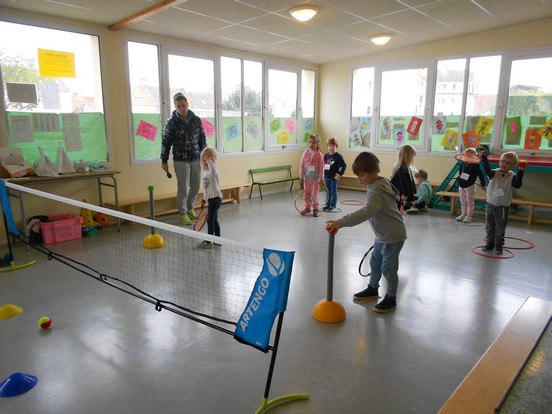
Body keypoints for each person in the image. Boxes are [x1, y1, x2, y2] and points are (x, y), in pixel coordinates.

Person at [326, 152, 407, 313]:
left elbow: (366, 212)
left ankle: (391, 297)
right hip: (382, 235)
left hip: (392, 236)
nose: (358, 179)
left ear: (372, 172)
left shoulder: (376, 191)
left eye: (361, 175)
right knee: (375, 263)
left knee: (388, 268)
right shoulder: (379, 182)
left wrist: (340, 222)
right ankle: (373, 288)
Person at [161, 93, 207, 226]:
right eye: (178, 106)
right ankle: (183, 213)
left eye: (183, 105)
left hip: (195, 158)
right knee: (183, 187)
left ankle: (190, 208)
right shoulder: (172, 122)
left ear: (187, 104)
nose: (181, 108)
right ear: (175, 107)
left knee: (195, 186)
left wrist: (205, 156)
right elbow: (166, 142)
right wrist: (164, 161)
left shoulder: (196, 120)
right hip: (180, 159)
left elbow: (202, 140)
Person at [479, 150, 525, 254]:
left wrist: (521, 171)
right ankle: (490, 243)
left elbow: (517, 185)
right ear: (499, 162)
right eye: (503, 161)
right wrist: (484, 158)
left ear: (513, 165)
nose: (504, 164)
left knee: (500, 226)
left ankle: (499, 245)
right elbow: (486, 170)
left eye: (508, 163)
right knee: (489, 225)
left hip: (503, 206)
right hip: (490, 203)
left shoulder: (512, 176)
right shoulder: (494, 173)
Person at [197, 147, 222, 249]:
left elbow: (212, 170)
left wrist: (208, 159)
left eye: (208, 158)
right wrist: (204, 199)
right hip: (211, 199)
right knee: (214, 220)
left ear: (212, 158)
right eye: (204, 159)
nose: (205, 161)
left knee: (210, 220)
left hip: (216, 199)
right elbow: (206, 188)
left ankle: (209, 242)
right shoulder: (206, 173)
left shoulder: (214, 170)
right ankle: (218, 240)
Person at [455, 147, 486, 223]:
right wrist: (459, 179)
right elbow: (460, 172)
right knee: (463, 200)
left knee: (470, 201)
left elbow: (481, 174)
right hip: (462, 184)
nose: (468, 157)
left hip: (470, 185)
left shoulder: (476, 165)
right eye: (466, 155)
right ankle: (463, 213)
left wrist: (483, 183)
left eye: (470, 156)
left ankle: (469, 216)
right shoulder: (463, 163)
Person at [299, 134, 324, 217]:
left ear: (317, 144)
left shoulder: (319, 155)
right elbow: (302, 165)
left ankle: (315, 209)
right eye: (310, 142)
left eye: (313, 142)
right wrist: (301, 176)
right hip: (306, 178)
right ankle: (307, 207)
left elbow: (321, 167)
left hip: (315, 179)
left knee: (314, 194)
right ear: (307, 143)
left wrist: (321, 178)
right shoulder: (305, 153)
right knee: (307, 194)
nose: (311, 144)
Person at [391, 144, 417, 212]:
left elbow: (410, 181)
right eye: (412, 156)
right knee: (399, 208)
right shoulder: (403, 168)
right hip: (400, 193)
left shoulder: (406, 167)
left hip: (401, 194)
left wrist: (412, 192)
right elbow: (404, 182)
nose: (413, 159)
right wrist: (406, 194)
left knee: (400, 207)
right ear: (408, 156)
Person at [323, 137, 347, 212]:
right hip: (326, 176)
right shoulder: (326, 156)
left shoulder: (338, 156)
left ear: (336, 146)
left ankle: (333, 205)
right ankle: (328, 204)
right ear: (327, 147)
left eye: (333, 146)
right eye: (330, 146)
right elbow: (323, 165)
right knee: (328, 191)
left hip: (334, 177)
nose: (331, 148)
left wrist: (340, 174)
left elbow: (344, 165)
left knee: (333, 191)